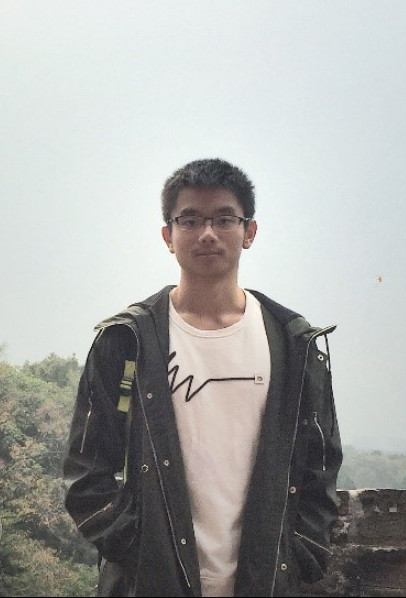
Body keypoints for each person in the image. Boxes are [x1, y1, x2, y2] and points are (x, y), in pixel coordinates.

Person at [63, 158, 343, 597]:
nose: (207, 233)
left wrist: (301, 553)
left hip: (263, 583)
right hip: (152, 584)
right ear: (168, 235)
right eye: (190, 220)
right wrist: (140, 552)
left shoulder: (292, 344)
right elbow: (86, 470)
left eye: (224, 219)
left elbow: (320, 465)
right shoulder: (128, 341)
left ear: (249, 232)